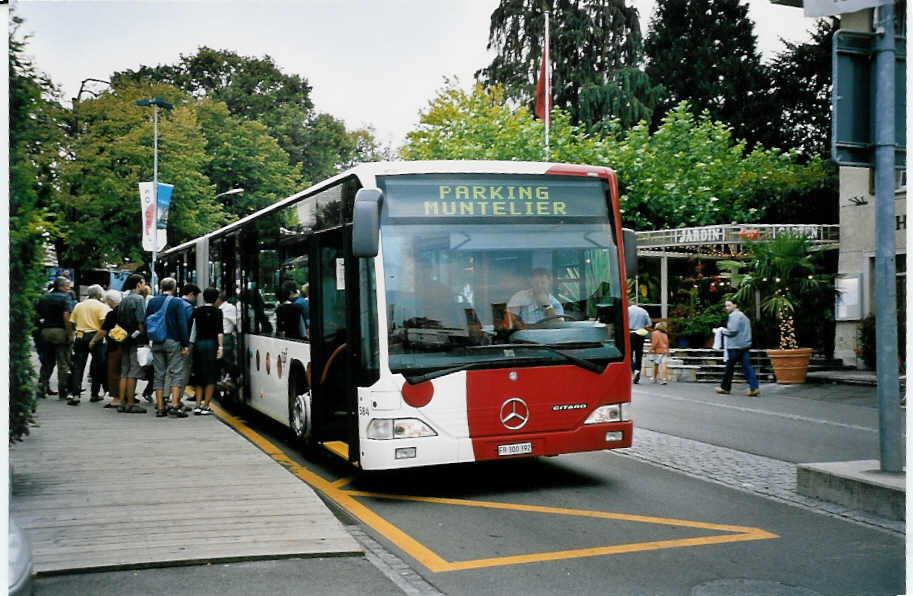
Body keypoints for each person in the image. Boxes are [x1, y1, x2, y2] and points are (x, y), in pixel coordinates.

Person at [145, 278, 195, 418]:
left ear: (161, 287)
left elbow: (147, 320)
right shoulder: (177, 302)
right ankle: (174, 405)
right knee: (176, 372)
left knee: (159, 374)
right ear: (174, 288)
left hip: (156, 341)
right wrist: (185, 344)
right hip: (173, 341)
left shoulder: (153, 301)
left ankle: (160, 407)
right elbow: (181, 323)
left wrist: (147, 340)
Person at [69, 284, 110, 402]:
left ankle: (75, 394)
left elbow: (72, 322)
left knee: (78, 366)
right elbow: (104, 324)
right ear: (99, 295)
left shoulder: (79, 305)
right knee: (97, 366)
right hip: (96, 337)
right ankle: (94, 394)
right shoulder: (102, 307)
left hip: (80, 335)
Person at [37, 276, 75, 403]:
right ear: (61, 286)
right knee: (63, 362)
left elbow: (37, 315)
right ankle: (63, 390)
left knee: (47, 361)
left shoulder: (44, 297)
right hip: (60, 332)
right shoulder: (66, 297)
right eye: (67, 286)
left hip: (45, 331)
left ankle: (42, 387)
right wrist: (70, 334)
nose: (68, 288)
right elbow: (67, 316)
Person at [715, 299, 760, 397]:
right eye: (726, 306)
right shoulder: (743, 316)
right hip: (744, 345)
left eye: (729, 305)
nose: (727, 308)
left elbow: (733, 331)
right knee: (747, 367)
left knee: (729, 367)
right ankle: (754, 387)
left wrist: (722, 331)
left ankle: (725, 387)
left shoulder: (734, 316)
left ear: (735, 305)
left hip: (735, 345)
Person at [116, 274, 148, 413]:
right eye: (143, 282)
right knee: (133, 371)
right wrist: (143, 336)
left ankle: (121, 402)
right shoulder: (138, 299)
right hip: (135, 338)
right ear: (138, 284)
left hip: (123, 338)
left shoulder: (124, 299)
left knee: (124, 370)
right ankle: (130, 403)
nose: (144, 285)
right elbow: (141, 320)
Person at [190, 287, 224, 416]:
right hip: (211, 344)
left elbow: (192, 330)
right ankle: (206, 405)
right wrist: (220, 348)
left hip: (199, 344)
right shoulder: (218, 312)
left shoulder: (196, 311)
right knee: (211, 375)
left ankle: (197, 405)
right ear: (215, 298)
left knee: (199, 374)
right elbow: (219, 331)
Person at [93, 290, 124, 407]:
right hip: (126, 344)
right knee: (124, 372)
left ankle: (116, 397)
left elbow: (103, 330)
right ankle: (126, 395)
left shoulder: (112, 314)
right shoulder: (125, 311)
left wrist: (93, 340)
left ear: (111, 301)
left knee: (113, 372)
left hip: (114, 345)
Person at [216, 291, 239, 385]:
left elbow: (236, 322)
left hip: (226, 337)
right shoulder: (217, 308)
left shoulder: (229, 308)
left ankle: (231, 379)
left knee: (226, 360)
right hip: (218, 337)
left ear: (219, 299)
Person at [628, 301, 652, 384]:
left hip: (630, 333)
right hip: (640, 334)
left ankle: (634, 370)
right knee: (639, 354)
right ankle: (638, 370)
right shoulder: (643, 311)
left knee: (629, 354)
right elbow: (649, 324)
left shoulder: (627, 310)